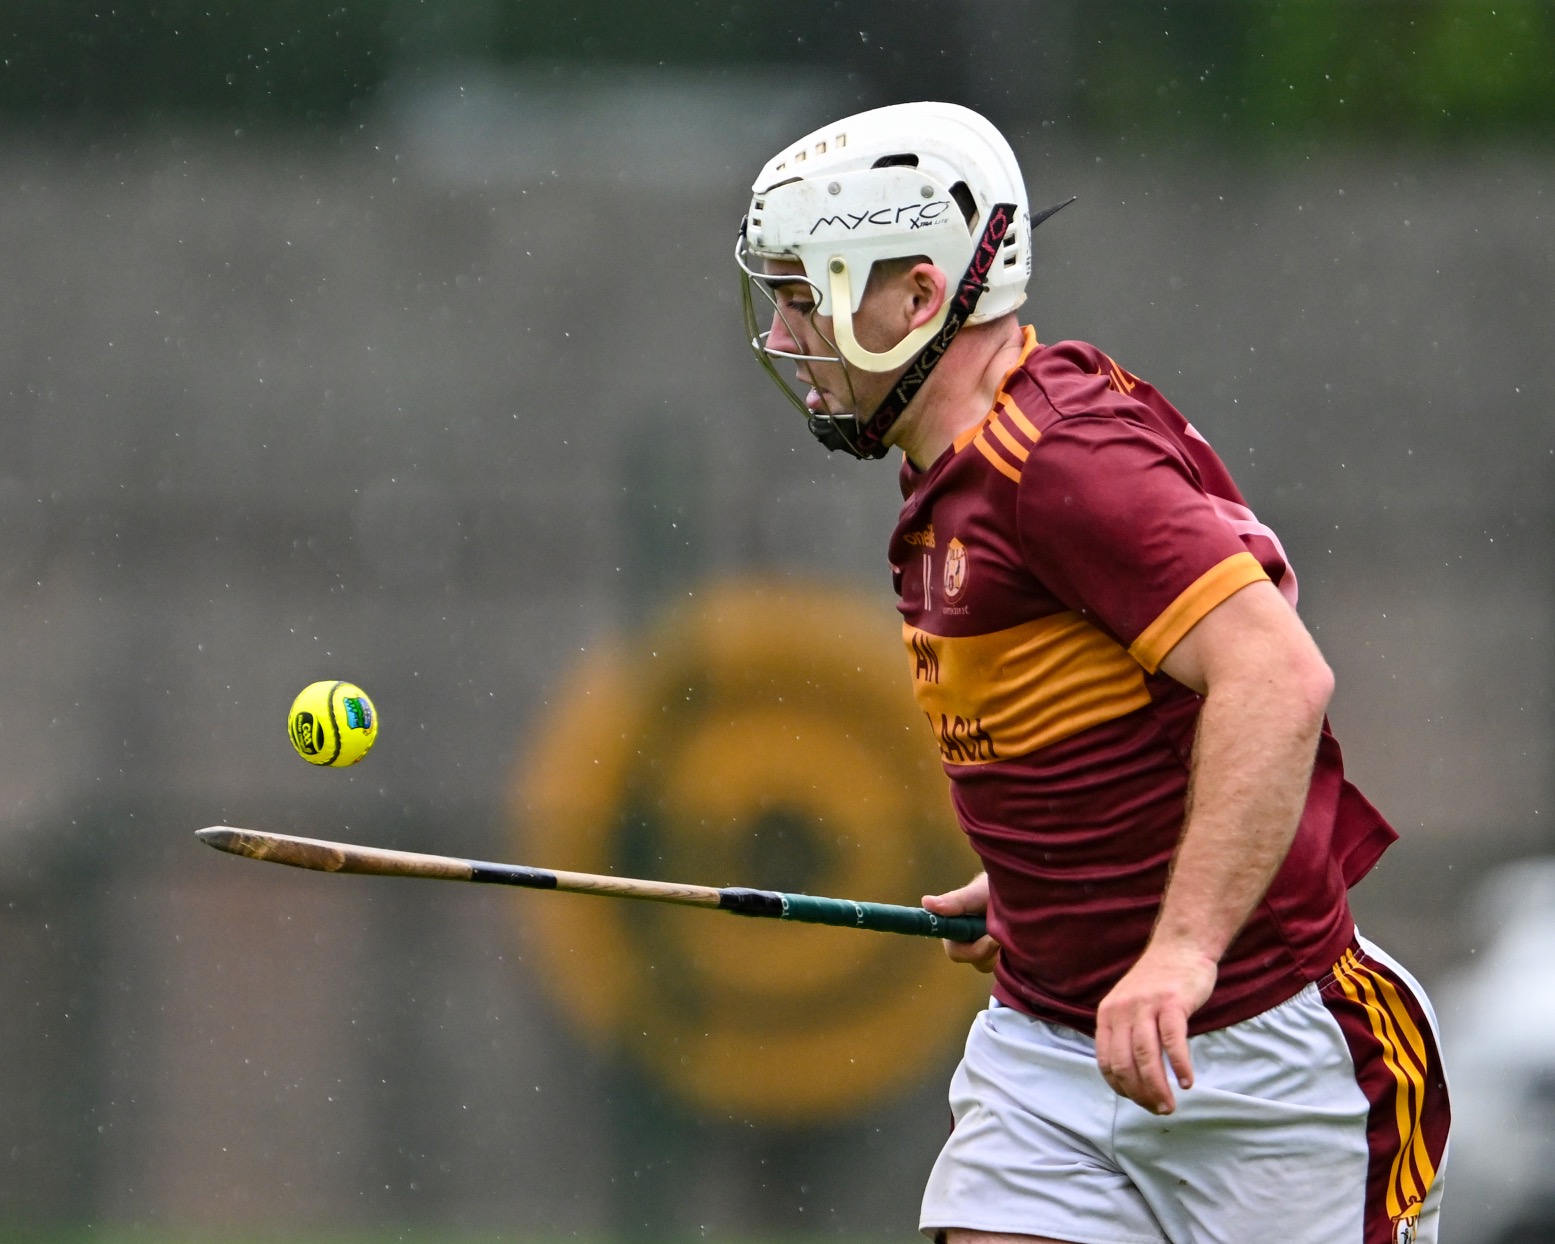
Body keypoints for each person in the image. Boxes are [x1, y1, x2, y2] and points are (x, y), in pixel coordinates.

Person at [735, 102, 1449, 1244]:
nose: (784, 333)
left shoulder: (1057, 459)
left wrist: (1179, 950)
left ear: (918, 297)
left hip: (1263, 1061)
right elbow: (1104, 710)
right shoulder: (956, 467)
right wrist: (1046, 884)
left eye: (804, 295)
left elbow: (1275, 678)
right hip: (1048, 1046)